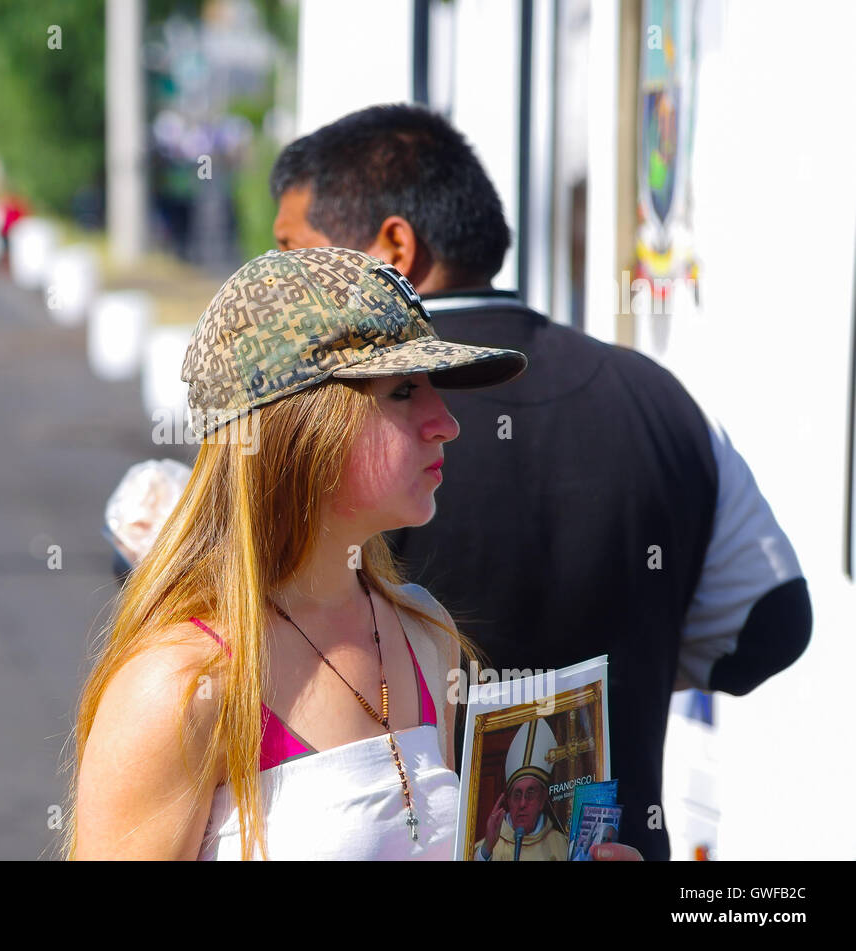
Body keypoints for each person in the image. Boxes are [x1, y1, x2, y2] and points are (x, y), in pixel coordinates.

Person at [269, 103, 811, 861]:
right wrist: (627, 650)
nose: (281, 291)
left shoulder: (334, 432)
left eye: (295, 257)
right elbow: (768, 629)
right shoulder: (661, 399)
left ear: (395, 245)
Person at [67, 247, 640, 861]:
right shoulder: (180, 686)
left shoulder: (425, 632)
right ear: (303, 425)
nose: (444, 422)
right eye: (402, 392)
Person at [472, 719, 570, 861]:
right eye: (517, 794)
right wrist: (487, 847)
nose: (522, 803)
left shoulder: (561, 845)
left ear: (542, 799)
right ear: (508, 802)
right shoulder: (488, 847)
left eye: (530, 793)